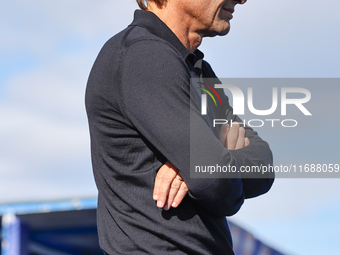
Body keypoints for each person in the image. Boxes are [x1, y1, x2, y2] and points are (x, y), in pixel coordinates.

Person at [85, 0, 274, 254]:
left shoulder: (198, 70)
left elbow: (264, 166)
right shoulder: (143, 56)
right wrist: (209, 161)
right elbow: (215, 180)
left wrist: (209, 159)